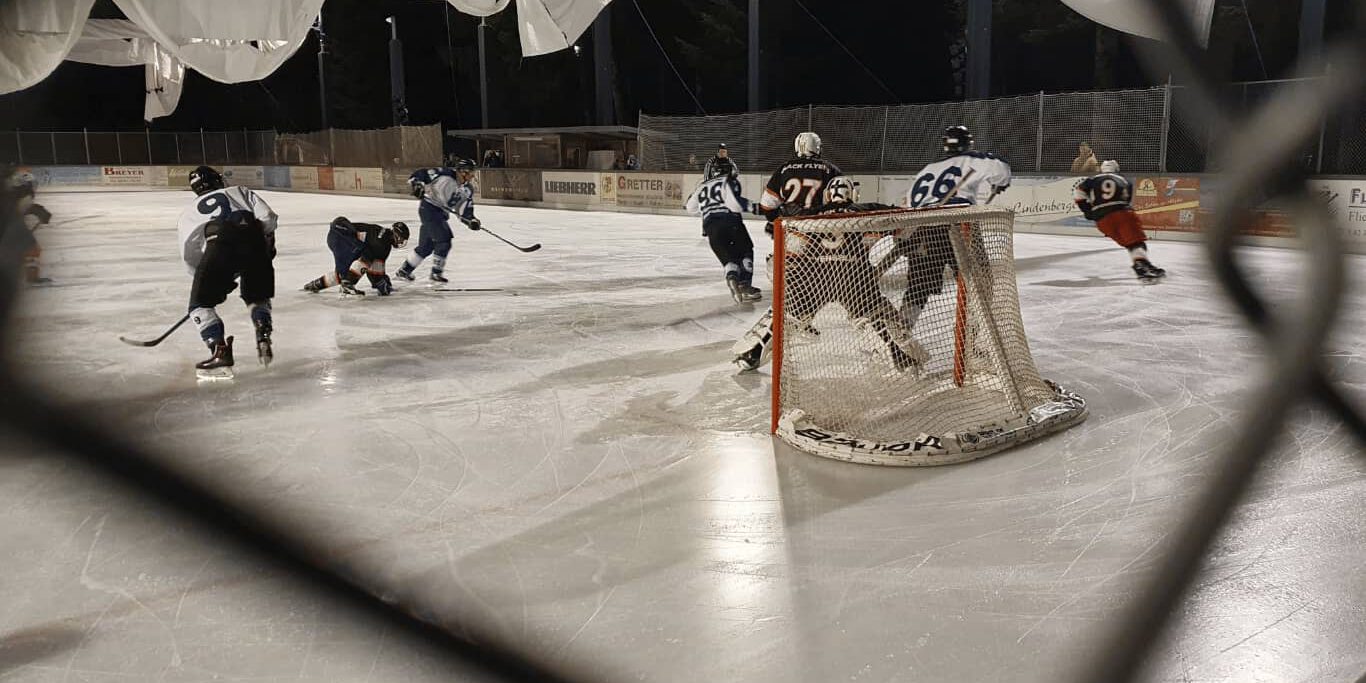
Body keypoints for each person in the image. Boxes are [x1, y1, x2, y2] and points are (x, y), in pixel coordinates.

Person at [780, 176, 926, 371]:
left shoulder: (811, 213)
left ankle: (754, 350)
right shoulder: (866, 209)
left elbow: (791, 251)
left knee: (787, 313)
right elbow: (904, 225)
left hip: (815, 276)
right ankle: (901, 359)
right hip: (854, 276)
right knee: (877, 315)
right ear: (853, 194)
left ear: (828, 195)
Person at [732, 132, 844, 371]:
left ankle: (766, 343)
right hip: (820, 242)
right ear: (818, 148)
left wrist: (778, 222)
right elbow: (842, 204)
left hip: (790, 241)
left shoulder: (784, 169)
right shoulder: (830, 169)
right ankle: (763, 344)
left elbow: (766, 206)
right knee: (804, 297)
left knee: (794, 296)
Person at [177, 165, 278, 378]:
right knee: (256, 296)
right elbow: (268, 218)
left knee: (199, 305)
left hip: (219, 244)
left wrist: (210, 275)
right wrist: (261, 245)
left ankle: (219, 351)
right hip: (254, 239)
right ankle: (263, 332)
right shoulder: (239, 190)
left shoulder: (189, 211)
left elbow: (190, 252)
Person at [1074, 160, 1167, 280]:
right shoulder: (1124, 180)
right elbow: (1126, 200)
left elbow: (1078, 193)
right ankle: (1141, 265)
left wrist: (1087, 210)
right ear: (1116, 170)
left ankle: (1144, 264)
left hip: (1102, 220)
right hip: (1121, 214)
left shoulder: (1092, 180)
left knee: (1130, 244)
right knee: (1136, 243)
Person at [685, 158, 761, 303]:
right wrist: (756, 207)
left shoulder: (702, 186)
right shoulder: (728, 182)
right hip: (731, 222)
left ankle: (732, 277)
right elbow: (734, 203)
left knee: (729, 259)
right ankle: (745, 286)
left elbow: (690, 208)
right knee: (746, 250)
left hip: (711, 228)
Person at [395, 160, 480, 284]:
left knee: (426, 247)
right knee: (444, 241)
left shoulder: (467, 189)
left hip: (440, 213)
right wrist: (417, 184)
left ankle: (404, 270)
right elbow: (422, 173)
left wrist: (470, 220)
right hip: (429, 209)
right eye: (471, 172)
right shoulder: (444, 174)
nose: (473, 175)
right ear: (463, 172)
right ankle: (436, 273)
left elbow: (464, 208)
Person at [303, 217, 410, 296]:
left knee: (345, 273)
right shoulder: (383, 245)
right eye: (401, 239)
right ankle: (347, 286)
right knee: (365, 258)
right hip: (341, 238)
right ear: (395, 235)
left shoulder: (383, 236)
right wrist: (382, 285)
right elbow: (375, 271)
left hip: (338, 235)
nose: (401, 242)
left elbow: (375, 269)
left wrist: (382, 282)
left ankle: (315, 284)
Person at [10, 170, 52, 284]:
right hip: (11, 225)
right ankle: (32, 277)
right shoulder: (24, 193)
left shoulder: (12, 194)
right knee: (33, 249)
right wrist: (38, 211)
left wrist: (37, 210)